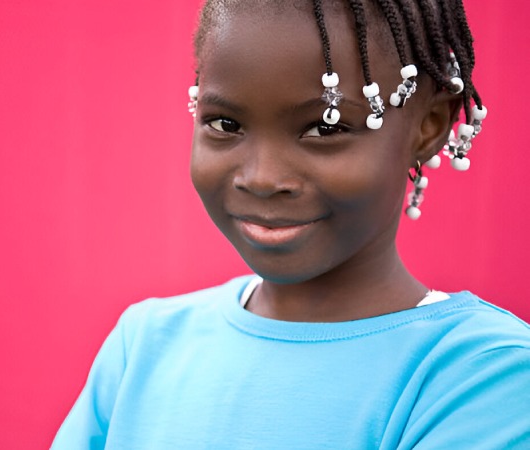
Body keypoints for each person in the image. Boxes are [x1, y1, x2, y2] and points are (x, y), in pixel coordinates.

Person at [51, 0, 530, 448]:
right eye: (225, 124)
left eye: (325, 127)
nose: (261, 178)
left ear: (429, 126)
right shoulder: (144, 347)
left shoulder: (480, 373)